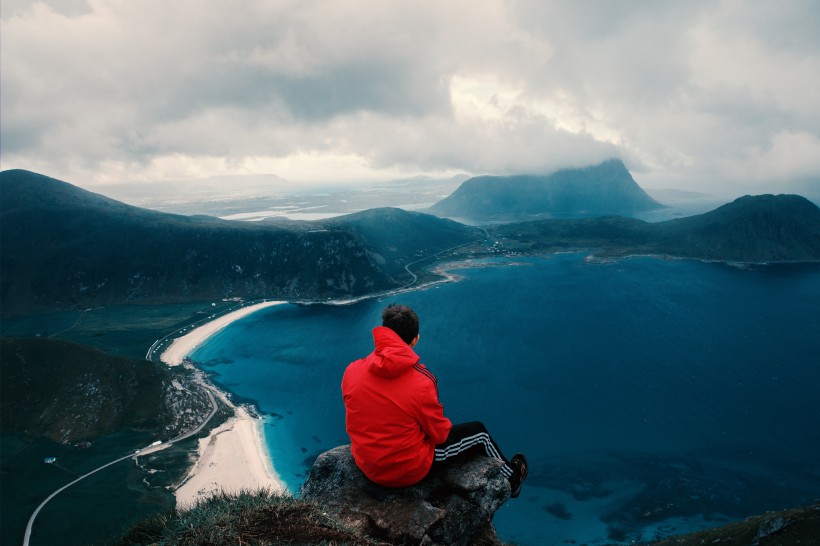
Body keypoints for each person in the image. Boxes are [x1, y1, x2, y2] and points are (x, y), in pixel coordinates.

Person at [341, 303, 528, 497]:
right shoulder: (421, 381)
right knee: (479, 434)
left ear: (383, 333)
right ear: (414, 340)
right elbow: (440, 434)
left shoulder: (352, 370)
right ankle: (513, 479)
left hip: (366, 463)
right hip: (406, 470)